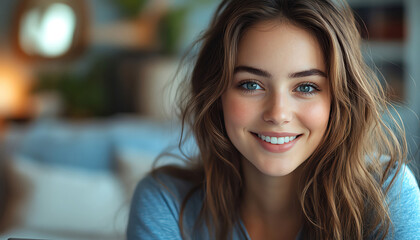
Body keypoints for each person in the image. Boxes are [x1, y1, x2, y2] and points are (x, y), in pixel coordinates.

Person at [127, 0, 420, 239]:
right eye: (251, 84)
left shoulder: (388, 197)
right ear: (216, 94)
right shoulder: (166, 204)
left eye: (306, 87)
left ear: (340, 101)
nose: (278, 114)